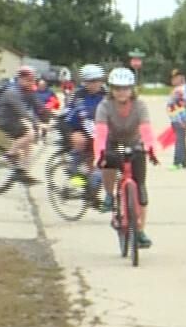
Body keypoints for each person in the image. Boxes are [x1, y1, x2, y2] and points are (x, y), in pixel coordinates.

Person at [93, 67, 159, 248]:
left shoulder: (140, 106)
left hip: (134, 143)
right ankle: (109, 195)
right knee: (107, 162)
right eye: (117, 88)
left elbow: (146, 129)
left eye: (125, 88)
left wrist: (151, 149)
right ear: (111, 90)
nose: (121, 92)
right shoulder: (104, 106)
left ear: (132, 89)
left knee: (140, 188)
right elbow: (100, 133)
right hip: (113, 142)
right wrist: (99, 154)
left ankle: (140, 231)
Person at [0, 65, 48, 185]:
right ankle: (9, 155)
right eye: (28, 80)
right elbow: (24, 112)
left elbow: (39, 106)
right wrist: (38, 124)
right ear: (20, 79)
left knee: (28, 146)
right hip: (4, 120)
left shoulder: (28, 91)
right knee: (30, 135)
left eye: (33, 80)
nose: (31, 82)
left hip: (15, 120)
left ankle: (23, 173)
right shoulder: (12, 92)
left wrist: (53, 117)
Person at [60, 65, 108, 202]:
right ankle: (73, 169)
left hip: (94, 128)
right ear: (85, 82)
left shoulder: (106, 94)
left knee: (98, 161)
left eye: (98, 80)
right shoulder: (78, 96)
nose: (95, 84)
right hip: (74, 126)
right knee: (81, 141)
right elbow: (81, 117)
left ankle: (91, 191)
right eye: (91, 81)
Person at [166, 69, 186, 169]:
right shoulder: (178, 89)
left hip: (180, 118)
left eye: (175, 78)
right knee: (181, 139)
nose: (173, 80)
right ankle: (185, 161)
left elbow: (184, 105)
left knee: (179, 140)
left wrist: (183, 120)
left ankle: (177, 162)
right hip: (176, 118)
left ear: (181, 78)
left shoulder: (182, 90)